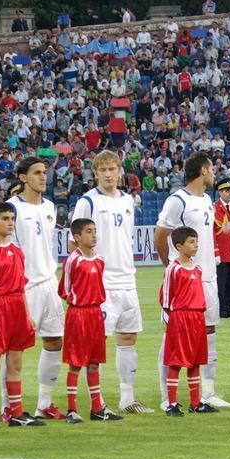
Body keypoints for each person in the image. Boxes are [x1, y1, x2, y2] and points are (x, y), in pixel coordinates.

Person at [70, 151, 153, 414]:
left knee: (128, 337)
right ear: (95, 173)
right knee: (96, 343)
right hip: (102, 283)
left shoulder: (128, 200)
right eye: (103, 170)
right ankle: (97, 401)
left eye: (112, 169)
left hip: (127, 279)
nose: (108, 174)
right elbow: (74, 244)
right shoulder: (88, 202)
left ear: (120, 171)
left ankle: (127, 399)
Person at [154, 151, 230, 408]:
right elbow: (160, 235)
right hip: (184, 280)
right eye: (212, 169)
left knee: (208, 333)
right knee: (172, 336)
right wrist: (170, 265)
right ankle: (167, 397)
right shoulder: (178, 200)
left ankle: (207, 392)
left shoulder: (208, 200)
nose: (214, 174)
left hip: (207, 276)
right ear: (203, 171)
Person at [7, 158, 67, 420]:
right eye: (37, 173)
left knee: (55, 340)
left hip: (49, 282)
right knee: (15, 347)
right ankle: (8, 406)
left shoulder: (50, 207)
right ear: (23, 178)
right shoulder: (12, 207)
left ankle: (44, 403)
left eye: (45, 172)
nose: (43, 177)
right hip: (25, 286)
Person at [0, 202, 44, 428]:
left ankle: (16, 413)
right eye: (5, 218)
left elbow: (21, 286)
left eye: (12, 218)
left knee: (15, 363)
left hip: (17, 308)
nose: (10, 223)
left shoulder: (17, 250)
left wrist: (27, 315)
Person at [59, 219, 122, 424]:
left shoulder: (99, 261)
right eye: (88, 231)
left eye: (95, 230)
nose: (94, 235)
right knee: (76, 363)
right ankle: (72, 410)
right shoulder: (73, 261)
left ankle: (96, 409)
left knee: (94, 363)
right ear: (77, 237)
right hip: (78, 315)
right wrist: (80, 303)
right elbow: (64, 290)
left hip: (96, 314)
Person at [161, 227, 217, 416]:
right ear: (179, 246)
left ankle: (195, 403)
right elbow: (166, 300)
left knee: (195, 361)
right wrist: (173, 321)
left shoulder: (198, 268)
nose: (196, 245)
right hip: (180, 318)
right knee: (176, 361)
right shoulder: (173, 269)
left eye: (196, 241)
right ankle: (172, 404)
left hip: (197, 319)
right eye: (191, 242)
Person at [213, 179, 230, 319]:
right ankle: (222, 309)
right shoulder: (214, 208)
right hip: (222, 253)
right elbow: (212, 232)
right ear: (220, 192)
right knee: (221, 283)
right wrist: (215, 252)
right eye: (226, 191)